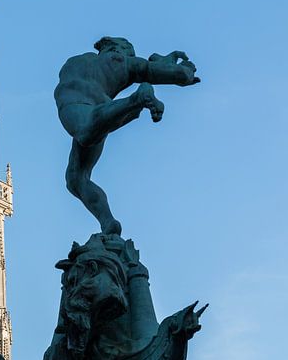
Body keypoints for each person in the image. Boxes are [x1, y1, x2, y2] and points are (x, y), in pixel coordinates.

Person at [54, 37, 201, 235]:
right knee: (75, 178)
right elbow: (170, 73)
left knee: (85, 133)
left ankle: (137, 99)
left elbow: (155, 68)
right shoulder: (124, 63)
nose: (131, 56)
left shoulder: (76, 61)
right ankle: (108, 223)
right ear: (120, 49)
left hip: (81, 106)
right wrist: (185, 72)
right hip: (102, 110)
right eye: (130, 52)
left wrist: (167, 67)